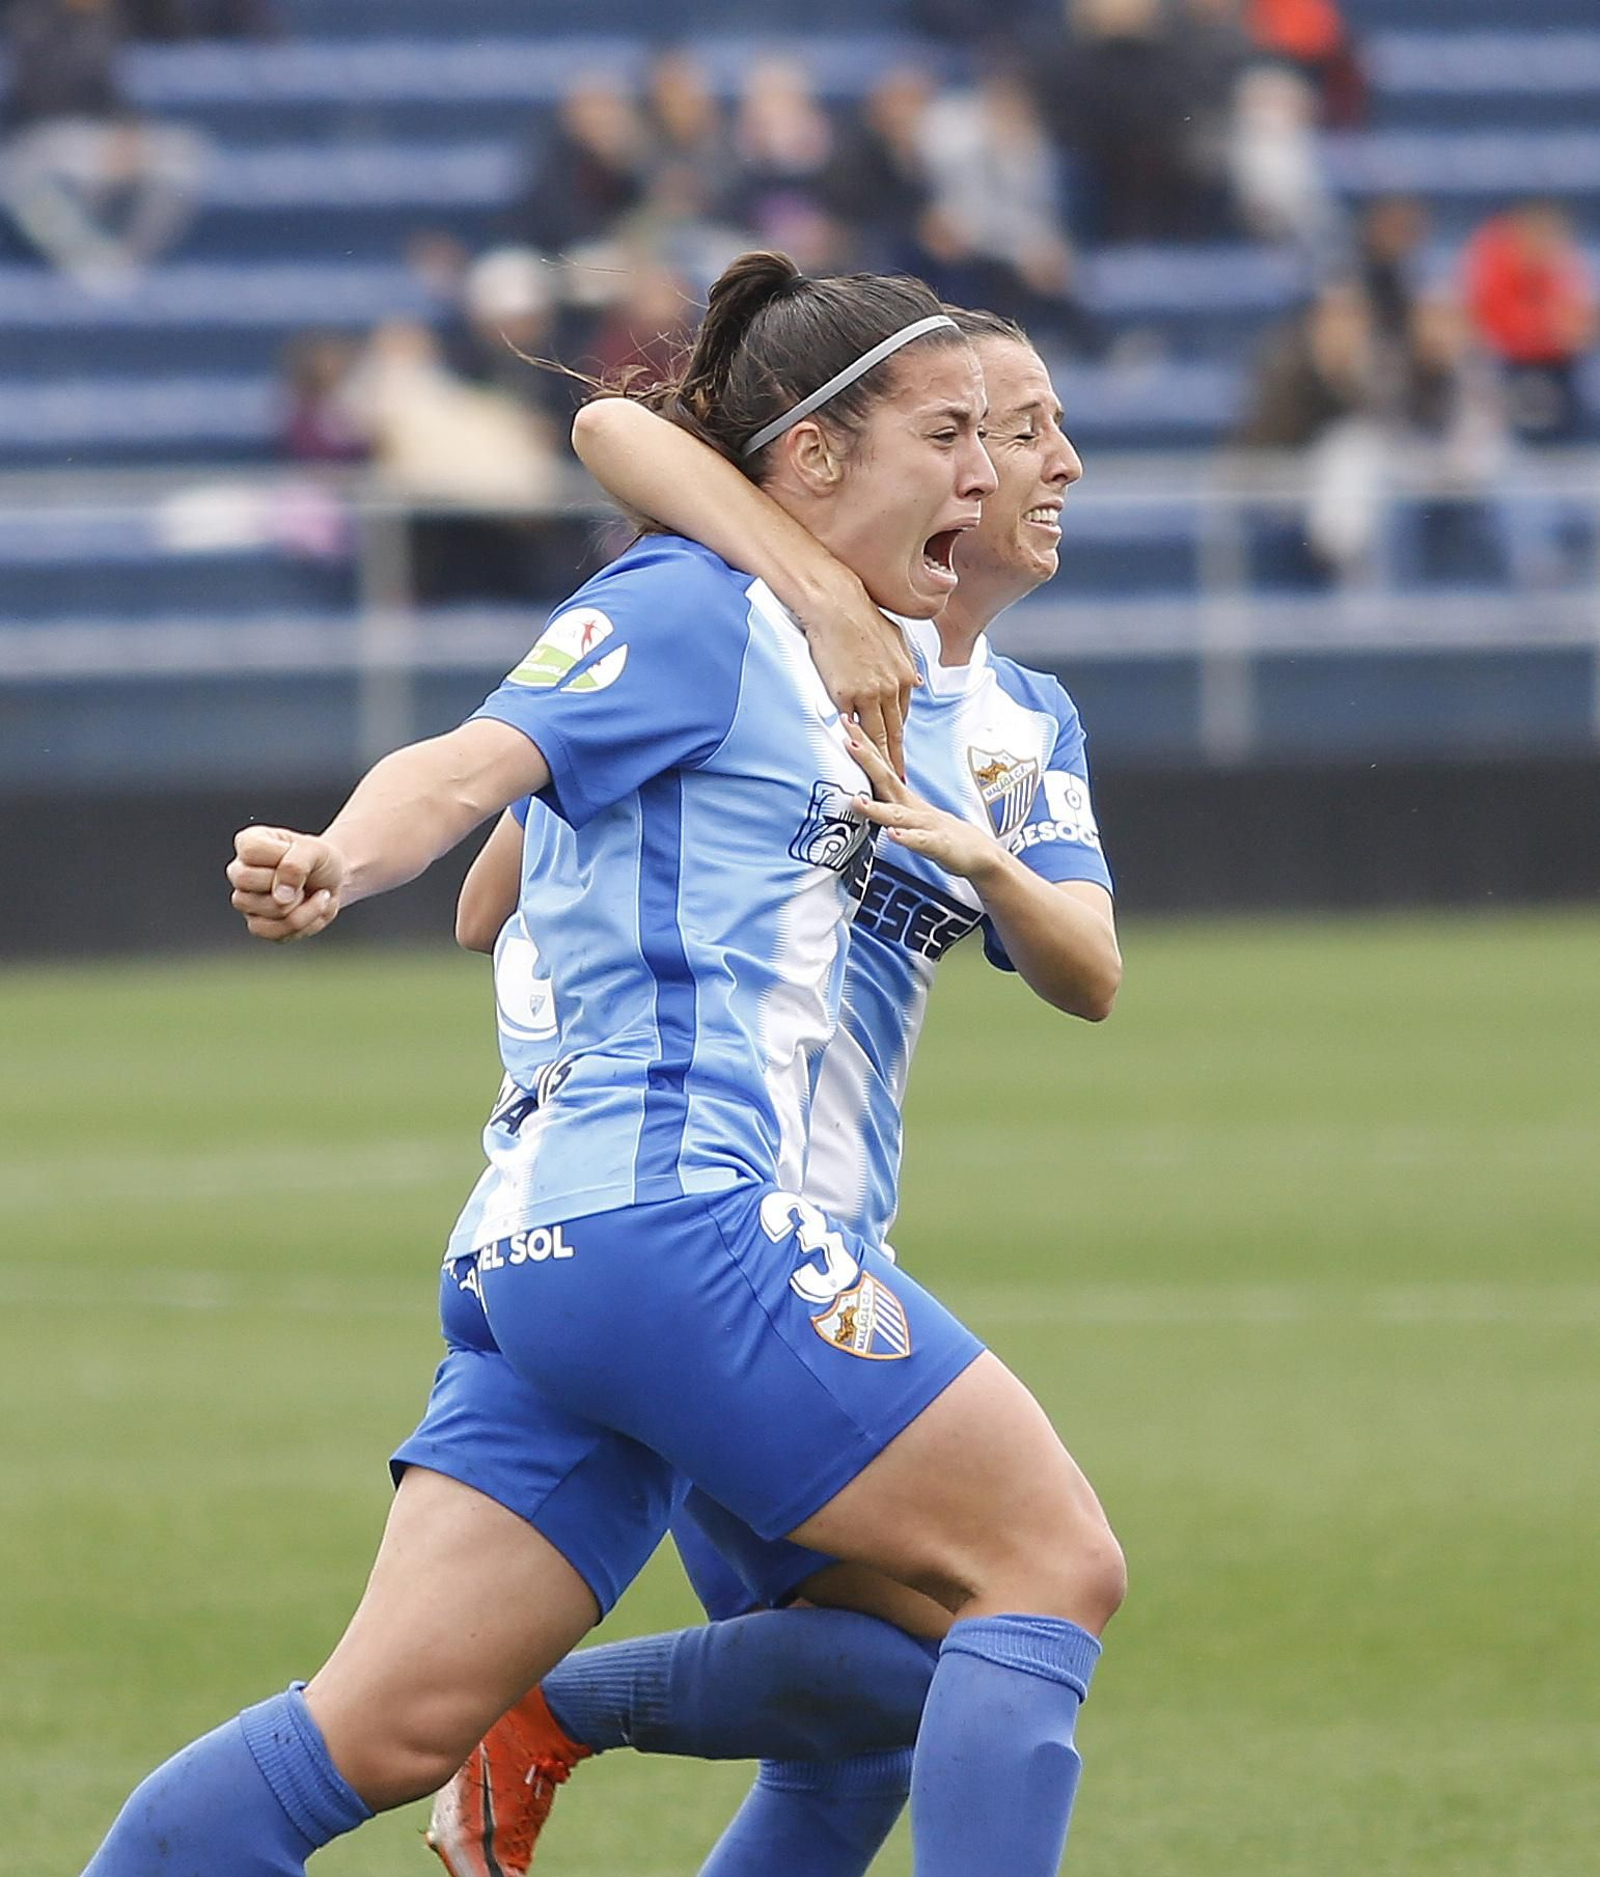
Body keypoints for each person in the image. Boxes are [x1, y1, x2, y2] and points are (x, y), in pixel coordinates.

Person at [80, 255, 1124, 1877]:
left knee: (382, 1731)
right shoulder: (700, 609)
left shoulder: (889, 664)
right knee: (1049, 1567)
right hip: (680, 1218)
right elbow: (469, 761)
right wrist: (341, 856)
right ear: (814, 456)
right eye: (953, 435)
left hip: (549, 1250)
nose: (993, 472)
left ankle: (516, 1720)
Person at [427, 307, 1120, 1877]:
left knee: (871, 1715)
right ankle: (534, 1708)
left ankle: (532, 1709)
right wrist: (801, 596)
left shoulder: (1021, 722)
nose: (1049, 461)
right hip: (712, 1221)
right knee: (1023, 1586)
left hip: (813, 1240)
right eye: (1004, 427)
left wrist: (986, 861)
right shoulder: (766, 637)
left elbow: (1089, 968)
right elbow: (611, 431)